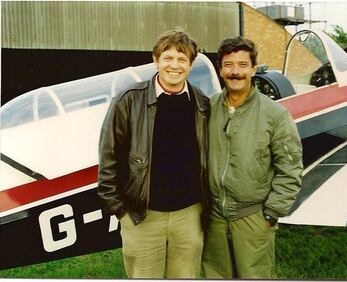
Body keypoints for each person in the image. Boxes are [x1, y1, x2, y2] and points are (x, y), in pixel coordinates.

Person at [97, 28, 210, 278]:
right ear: (155, 59)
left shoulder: (202, 103)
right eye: (168, 58)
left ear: (191, 64)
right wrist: (119, 210)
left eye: (182, 59)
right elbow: (108, 157)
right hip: (142, 216)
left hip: (189, 216)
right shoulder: (128, 100)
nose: (175, 65)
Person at [202, 36, 303, 279]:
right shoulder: (207, 109)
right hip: (214, 218)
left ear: (253, 69)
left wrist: (271, 212)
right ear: (220, 69)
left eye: (242, 65)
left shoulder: (275, 114)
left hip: (253, 218)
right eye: (228, 65)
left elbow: (290, 168)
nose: (235, 72)